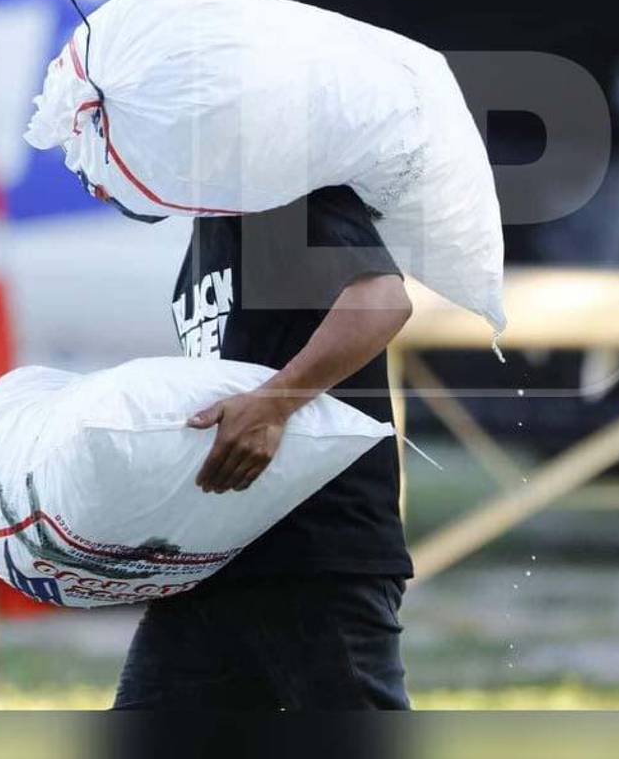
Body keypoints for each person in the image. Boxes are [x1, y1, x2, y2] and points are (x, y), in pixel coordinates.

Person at [108, 184, 415, 709]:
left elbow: (381, 300)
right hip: (213, 561)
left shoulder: (281, 189)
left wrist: (274, 403)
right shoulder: (207, 236)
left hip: (315, 559)